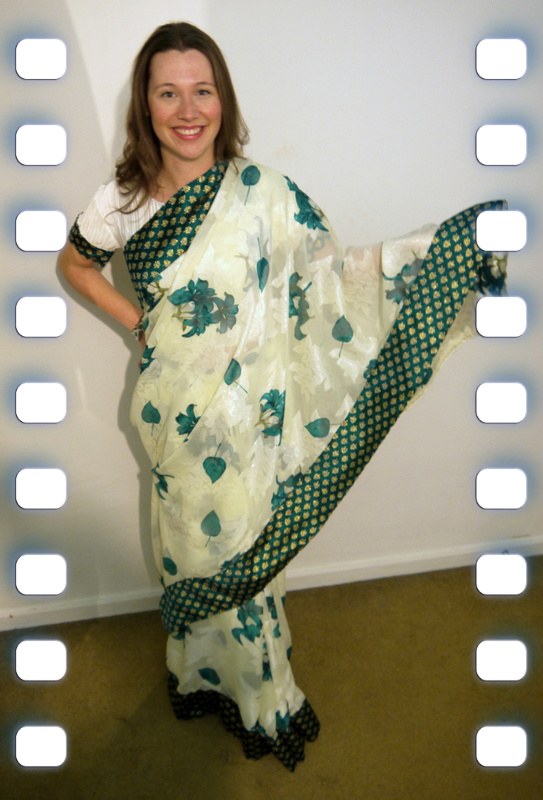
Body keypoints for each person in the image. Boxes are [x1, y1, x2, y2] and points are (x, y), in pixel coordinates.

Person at [59, 21, 506, 771]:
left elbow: (330, 281)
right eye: (167, 93)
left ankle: (264, 699)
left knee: (249, 554)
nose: (187, 110)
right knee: (190, 554)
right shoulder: (123, 199)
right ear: (145, 104)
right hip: (173, 417)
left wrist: (439, 255)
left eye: (202, 91)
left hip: (250, 424)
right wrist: (141, 325)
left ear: (223, 100)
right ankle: (199, 675)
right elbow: (75, 265)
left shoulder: (262, 193)